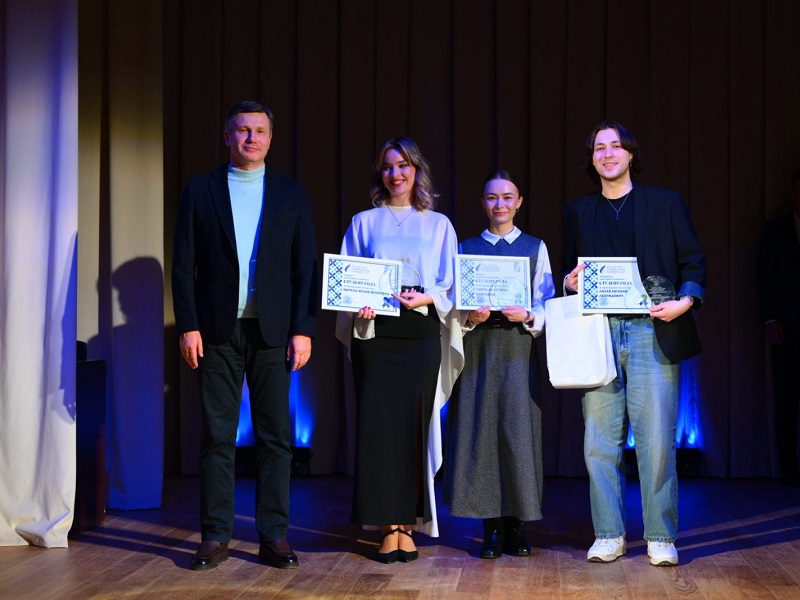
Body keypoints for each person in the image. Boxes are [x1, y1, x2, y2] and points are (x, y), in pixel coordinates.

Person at [172, 100, 317, 571]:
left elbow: (304, 268)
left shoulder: (291, 194)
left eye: (259, 131)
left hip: (273, 333)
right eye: (242, 130)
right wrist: (188, 324)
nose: (251, 138)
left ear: (270, 140)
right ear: (227, 137)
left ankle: (274, 535)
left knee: (276, 438)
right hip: (216, 330)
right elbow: (183, 266)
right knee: (218, 438)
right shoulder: (200, 190)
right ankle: (215, 535)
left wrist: (303, 329)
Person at [562, 121, 705, 567]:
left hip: (652, 329)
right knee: (598, 442)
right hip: (598, 334)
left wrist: (685, 301)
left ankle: (660, 535)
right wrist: (569, 283)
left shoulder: (665, 203)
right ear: (592, 159)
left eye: (615, 146)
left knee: (657, 440)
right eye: (598, 148)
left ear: (630, 154)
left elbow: (694, 261)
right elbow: (568, 274)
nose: (607, 154)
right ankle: (609, 533)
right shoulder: (577, 212)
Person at [335, 137, 463, 563]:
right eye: (388, 167)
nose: (396, 174)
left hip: (420, 332)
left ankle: (407, 524)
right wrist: (358, 302)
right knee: (378, 430)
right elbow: (347, 278)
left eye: (404, 165)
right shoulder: (363, 222)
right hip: (376, 333)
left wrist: (427, 298)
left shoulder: (439, 224)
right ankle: (385, 524)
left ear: (417, 170)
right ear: (381, 173)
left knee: (413, 430)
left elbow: (450, 282)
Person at [443, 171, 555, 559]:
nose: (500, 204)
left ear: (519, 202)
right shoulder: (467, 247)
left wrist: (528, 314)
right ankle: (490, 525)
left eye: (508, 197)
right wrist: (468, 317)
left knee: (517, 432)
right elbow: (452, 303)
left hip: (517, 347)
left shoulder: (534, 247)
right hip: (478, 348)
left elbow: (546, 302)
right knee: (479, 431)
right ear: (483, 203)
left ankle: (517, 524)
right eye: (492, 197)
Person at [757, 168, 800, 486]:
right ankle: (787, 469)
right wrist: (770, 320)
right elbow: (764, 278)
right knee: (786, 401)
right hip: (787, 328)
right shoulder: (775, 231)